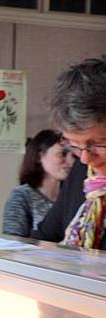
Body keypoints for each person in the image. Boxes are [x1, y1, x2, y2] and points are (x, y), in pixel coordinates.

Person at [32, 57, 106, 248]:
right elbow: (47, 236)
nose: (85, 157)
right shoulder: (83, 174)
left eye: (98, 143)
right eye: (74, 144)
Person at [2, 130, 73, 237]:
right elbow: (12, 241)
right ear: (39, 157)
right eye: (62, 154)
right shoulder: (22, 196)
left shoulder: (73, 195)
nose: (70, 161)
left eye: (73, 156)